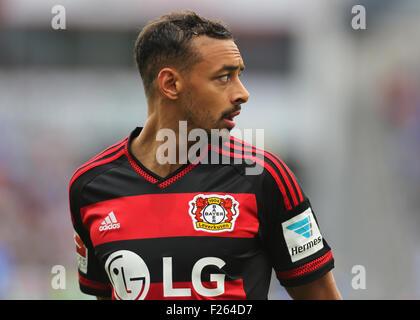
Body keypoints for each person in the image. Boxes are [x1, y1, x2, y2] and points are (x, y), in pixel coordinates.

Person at [69, 11, 342, 300]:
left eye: (239, 75)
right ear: (171, 84)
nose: (242, 93)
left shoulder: (263, 176)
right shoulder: (90, 187)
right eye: (224, 77)